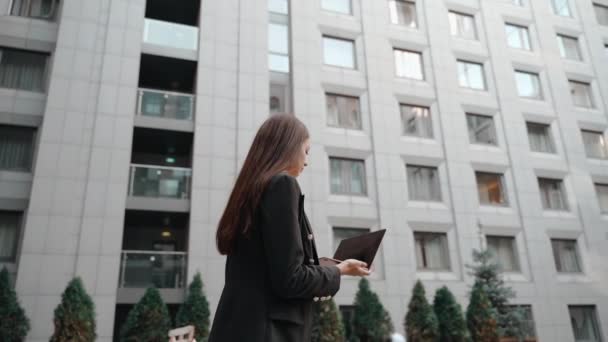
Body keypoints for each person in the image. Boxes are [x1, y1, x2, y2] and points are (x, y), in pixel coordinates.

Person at [208, 114, 370, 341]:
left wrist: (323, 267)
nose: (307, 161)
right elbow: (290, 279)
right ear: (287, 147)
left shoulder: (250, 191)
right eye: (306, 151)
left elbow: (272, 268)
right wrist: (339, 270)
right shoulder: (282, 185)